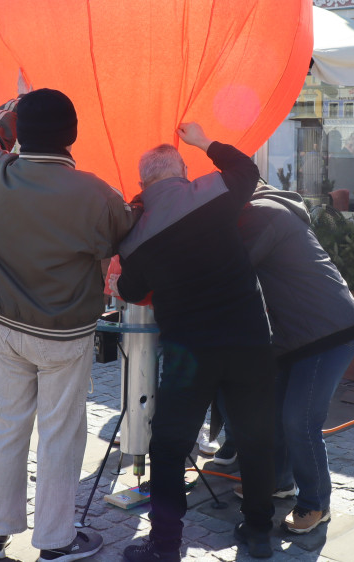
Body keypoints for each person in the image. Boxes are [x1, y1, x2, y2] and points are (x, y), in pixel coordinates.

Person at [0, 89, 134, 562]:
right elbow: (126, 229)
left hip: (6, 326)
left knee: (7, 426)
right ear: (73, 136)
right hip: (63, 332)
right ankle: (56, 542)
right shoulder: (94, 192)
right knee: (60, 434)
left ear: (21, 131)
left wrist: (10, 112)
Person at [117, 124, 276, 561]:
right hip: (248, 339)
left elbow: (129, 290)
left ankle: (166, 543)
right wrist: (205, 141)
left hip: (190, 351)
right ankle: (260, 531)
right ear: (183, 171)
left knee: (168, 446)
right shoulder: (213, 191)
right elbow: (246, 167)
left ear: (143, 183)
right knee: (256, 436)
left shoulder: (138, 233)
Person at [236, 183, 354, 535]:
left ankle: (315, 502)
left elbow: (233, 268)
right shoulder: (263, 210)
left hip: (327, 332)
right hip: (297, 333)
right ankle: (279, 481)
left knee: (298, 420)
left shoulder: (263, 215)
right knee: (274, 411)